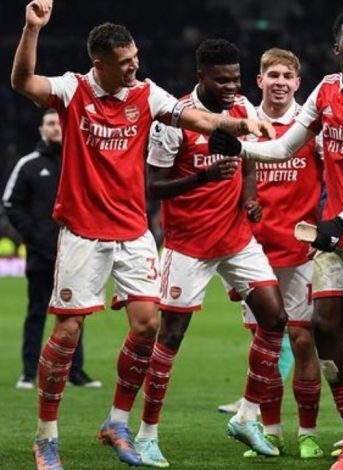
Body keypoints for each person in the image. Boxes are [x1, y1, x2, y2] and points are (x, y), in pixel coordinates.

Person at [10, 2, 272, 468]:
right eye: (127, 61)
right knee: (68, 330)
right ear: (101, 64)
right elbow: (23, 83)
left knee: (149, 324)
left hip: (133, 231)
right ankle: (46, 435)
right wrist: (32, 29)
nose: (136, 66)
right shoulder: (73, 91)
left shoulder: (146, 94)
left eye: (136, 57)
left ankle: (116, 422)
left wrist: (240, 124)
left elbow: (198, 119)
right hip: (84, 231)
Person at [210, 8, 343, 470]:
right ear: (337, 48)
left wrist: (341, 220)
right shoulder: (326, 89)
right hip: (336, 230)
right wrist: (240, 147)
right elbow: (286, 145)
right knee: (324, 326)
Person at [136, 38, 286, 467]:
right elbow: (154, 186)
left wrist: (250, 197)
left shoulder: (242, 109)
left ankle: (246, 416)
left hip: (237, 239)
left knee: (275, 319)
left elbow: (251, 158)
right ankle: (147, 434)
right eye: (222, 80)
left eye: (236, 79)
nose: (231, 87)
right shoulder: (174, 120)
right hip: (189, 245)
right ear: (200, 76)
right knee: (171, 338)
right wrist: (201, 181)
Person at [242, 47, 325, 460]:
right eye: (271, 74)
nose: (279, 82)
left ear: (297, 83)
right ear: (259, 80)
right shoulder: (244, 125)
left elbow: (333, 179)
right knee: (265, 342)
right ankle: (270, 431)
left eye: (286, 76)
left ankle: (307, 431)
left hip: (302, 250)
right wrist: (244, 203)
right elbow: (232, 179)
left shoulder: (311, 127)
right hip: (253, 252)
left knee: (302, 339)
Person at [3, 109, 101, 391]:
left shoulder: (80, 161)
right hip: (40, 254)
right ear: (40, 129)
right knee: (36, 312)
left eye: (59, 122)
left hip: (76, 253)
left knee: (76, 313)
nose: (56, 127)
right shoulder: (29, 164)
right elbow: (11, 203)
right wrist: (34, 235)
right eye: (49, 123)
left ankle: (75, 372)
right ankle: (28, 371)